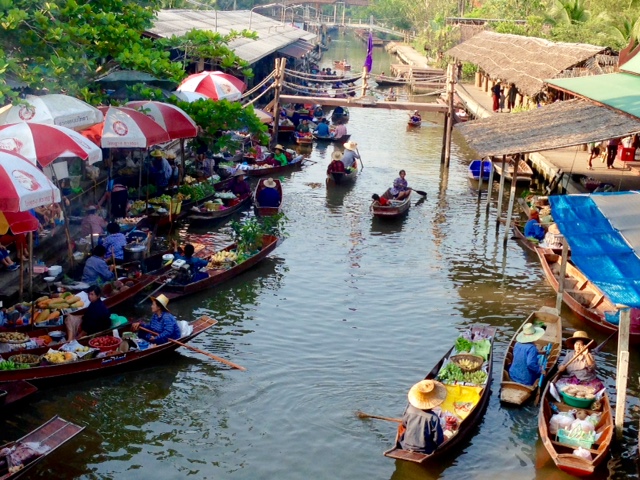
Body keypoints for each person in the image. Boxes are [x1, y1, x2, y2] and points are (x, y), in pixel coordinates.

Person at [399, 380, 446, 454]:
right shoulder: (433, 418)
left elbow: (404, 424)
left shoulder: (409, 410)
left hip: (406, 445)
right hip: (426, 449)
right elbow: (437, 440)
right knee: (444, 438)